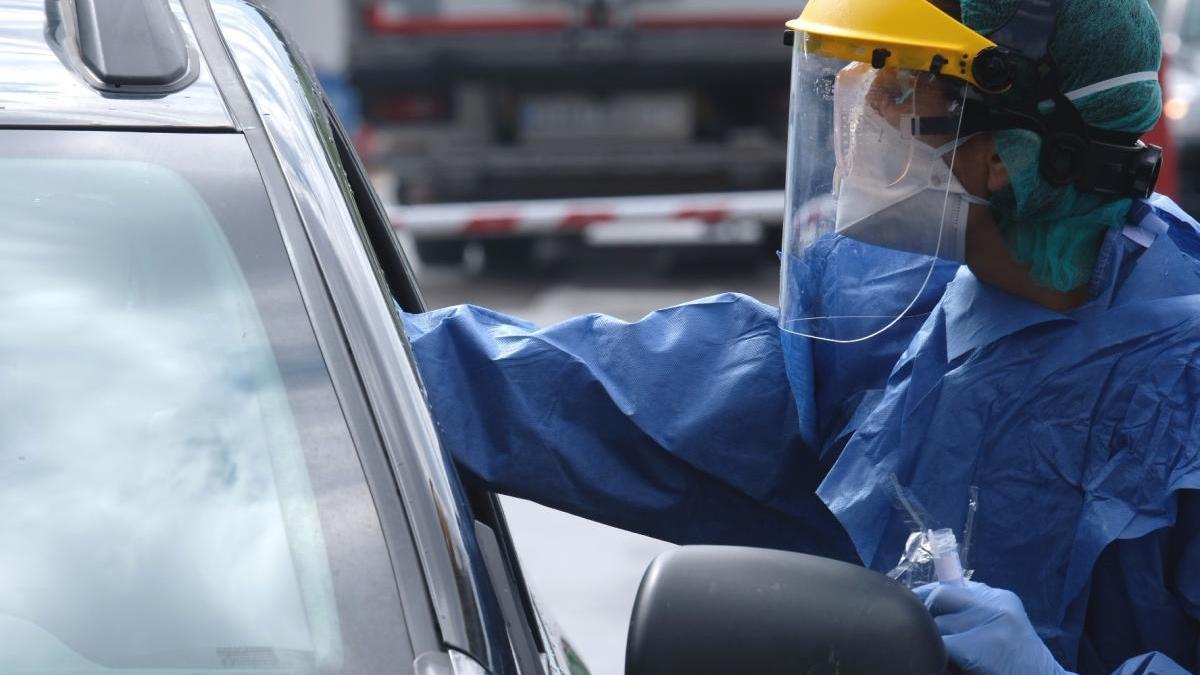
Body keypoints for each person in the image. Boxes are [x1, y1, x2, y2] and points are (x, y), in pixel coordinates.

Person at [400, 0, 1200, 673]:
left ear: (999, 159)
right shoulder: (890, 321)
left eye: (897, 84)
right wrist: (367, 362)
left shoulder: (1181, 389)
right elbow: (605, 395)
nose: (863, 105)